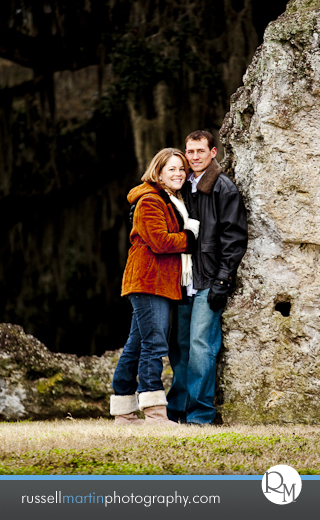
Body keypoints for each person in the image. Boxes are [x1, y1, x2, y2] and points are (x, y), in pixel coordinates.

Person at [110, 148, 199, 426]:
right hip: (149, 280)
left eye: (182, 169)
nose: (179, 174)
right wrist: (190, 237)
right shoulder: (150, 200)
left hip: (159, 281)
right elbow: (160, 242)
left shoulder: (170, 199)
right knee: (153, 345)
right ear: (158, 172)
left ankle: (123, 412)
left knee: (135, 346)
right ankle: (155, 414)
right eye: (171, 169)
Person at [167, 130, 248, 425]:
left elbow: (234, 238)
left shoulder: (223, 188)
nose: (195, 157)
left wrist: (223, 279)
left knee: (201, 345)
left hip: (209, 280)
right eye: (190, 152)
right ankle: (176, 411)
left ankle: (200, 415)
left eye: (200, 151)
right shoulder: (181, 186)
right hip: (183, 278)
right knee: (181, 346)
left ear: (213, 152)